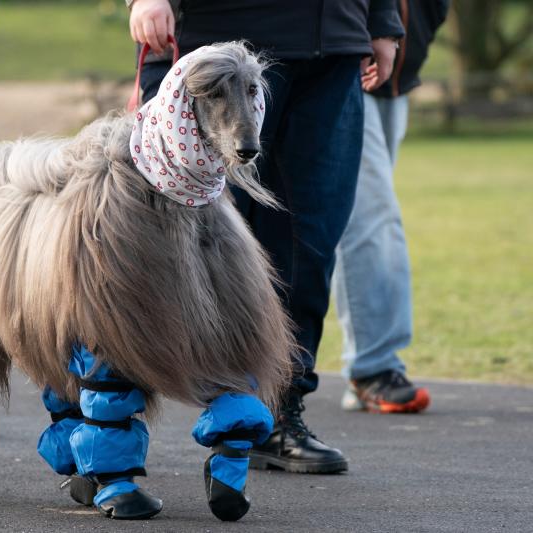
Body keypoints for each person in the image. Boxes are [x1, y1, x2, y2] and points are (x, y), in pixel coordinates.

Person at [128, 0, 403, 473]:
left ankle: (276, 414)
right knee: (167, 244)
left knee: (309, 242)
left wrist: (381, 21)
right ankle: (108, 419)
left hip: (332, 45)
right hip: (213, 46)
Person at [334, 0, 448, 414]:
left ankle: (363, 365)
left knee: (353, 219)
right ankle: (373, 366)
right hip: (343, 60)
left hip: (397, 74)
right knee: (372, 216)